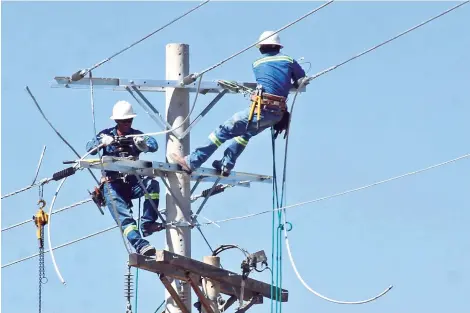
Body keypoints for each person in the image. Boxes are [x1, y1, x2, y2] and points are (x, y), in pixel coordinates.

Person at [170, 31, 306, 176]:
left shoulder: (257, 64)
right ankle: (225, 165)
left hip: (261, 111)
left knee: (222, 131)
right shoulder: (289, 60)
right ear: (278, 47)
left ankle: (192, 161)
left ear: (261, 48)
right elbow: (301, 80)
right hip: (276, 115)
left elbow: (269, 77)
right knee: (245, 134)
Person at [86, 100, 163, 256]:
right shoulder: (106, 134)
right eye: (124, 121)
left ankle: (147, 223)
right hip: (112, 185)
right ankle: (140, 245)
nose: (127, 123)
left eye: (129, 120)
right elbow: (89, 148)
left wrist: (143, 144)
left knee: (152, 184)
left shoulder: (136, 135)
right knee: (125, 219)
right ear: (116, 121)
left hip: (133, 182)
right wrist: (102, 142)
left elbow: (154, 144)